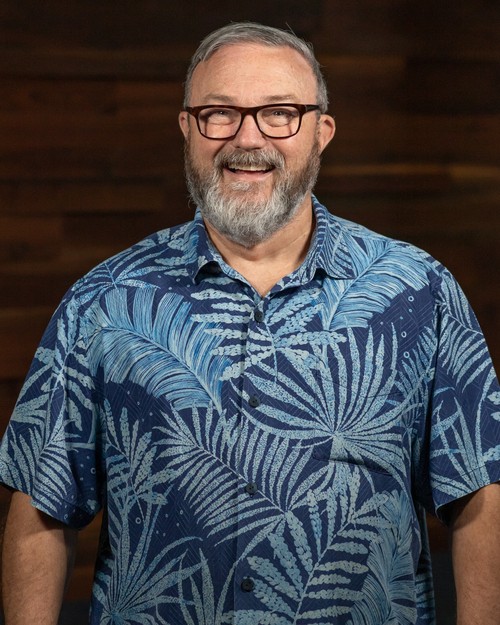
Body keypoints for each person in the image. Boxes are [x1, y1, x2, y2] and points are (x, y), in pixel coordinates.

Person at [1, 21, 499, 625]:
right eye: (219, 113)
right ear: (187, 129)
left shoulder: (419, 292)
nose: (247, 138)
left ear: (322, 132)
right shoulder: (103, 302)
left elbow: (478, 491)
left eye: (279, 113)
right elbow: (43, 504)